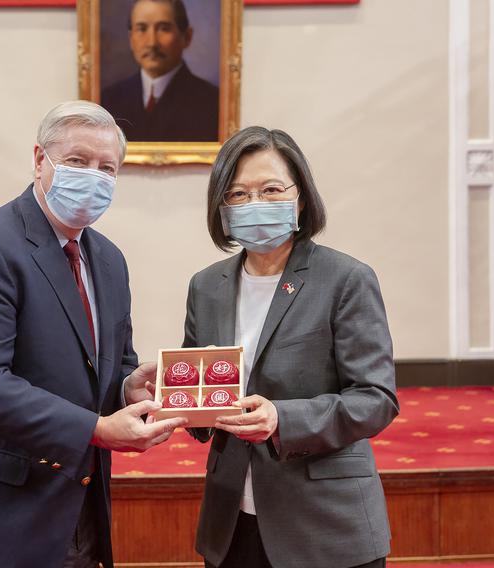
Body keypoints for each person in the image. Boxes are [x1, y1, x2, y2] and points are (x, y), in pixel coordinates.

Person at [0, 100, 187, 568]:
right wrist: (98, 428)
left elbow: (104, 366)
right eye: (77, 162)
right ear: (39, 160)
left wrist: (127, 388)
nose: (93, 176)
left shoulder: (109, 260)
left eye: (107, 168)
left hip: (78, 509)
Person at [184, 126, 399, 568]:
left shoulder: (345, 279)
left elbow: (376, 400)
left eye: (270, 189)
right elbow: (203, 401)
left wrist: (283, 418)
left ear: (300, 197)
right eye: (238, 194)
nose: (254, 204)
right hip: (232, 521)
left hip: (325, 525)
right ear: (222, 208)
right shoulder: (207, 286)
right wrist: (178, 400)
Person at [101, 0, 219, 142]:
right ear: (131, 38)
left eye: (164, 28)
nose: (152, 43)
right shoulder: (108, 100)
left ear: (187, 37)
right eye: (142, 29)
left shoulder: (212, 103)